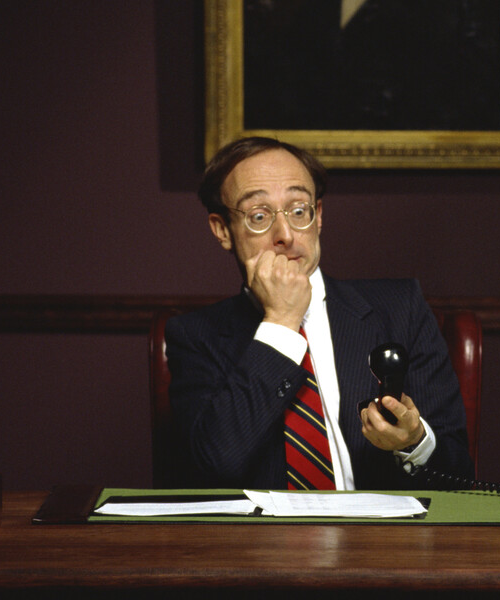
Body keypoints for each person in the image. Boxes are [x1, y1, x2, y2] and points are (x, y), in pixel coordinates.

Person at [165, 136, 474, 490]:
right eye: (259, 216)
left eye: (299, 211)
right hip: (265, 527)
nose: (285, 235)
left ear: (319, 216)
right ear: (222, 230)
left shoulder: (400, 308)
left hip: (379, 525)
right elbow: (214, 467)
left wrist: (414, 442)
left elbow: (460, 473)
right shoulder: (195, 336)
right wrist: (281, 322)